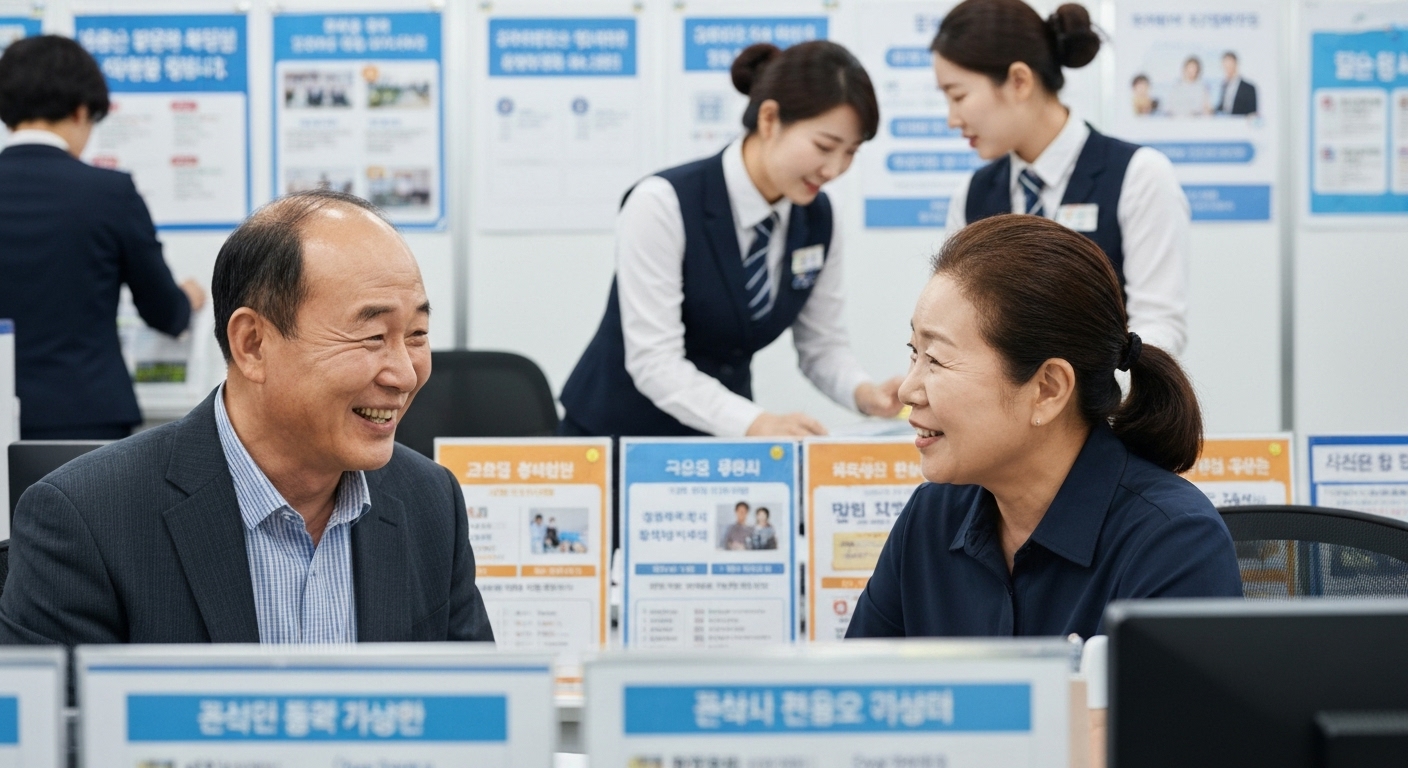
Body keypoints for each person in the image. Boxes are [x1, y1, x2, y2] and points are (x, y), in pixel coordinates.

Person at [0, 190, 494, 645]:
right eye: (372, 337)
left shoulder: (430, 502)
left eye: (417, 334)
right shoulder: (86, 519)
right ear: (253, 344)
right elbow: (60, 715)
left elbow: (474, 705)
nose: (404, 374)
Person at [845, 214, 1242, 640]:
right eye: (914, 352)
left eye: (936, 360)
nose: (907, 390)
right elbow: (861, 680)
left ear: (1048, 389)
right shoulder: (932, 517)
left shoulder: (1173, 542)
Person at [559, 40, 903, 440]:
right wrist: (757, 422)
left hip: (724, 445)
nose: (834, 169)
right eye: (824, 147)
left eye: (851, 152)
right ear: (770, 119)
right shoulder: (662, 203)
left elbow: (821, 345)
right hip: (618, 440)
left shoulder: (820, 217)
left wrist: (864, 393)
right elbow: (654, 360)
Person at [936, 0, 1190, 356]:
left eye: (958, 96)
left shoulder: (1139, 176)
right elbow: (956, 327)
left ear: (1019, 81)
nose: (952, 119)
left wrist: (1080, 389)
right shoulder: (972, 196)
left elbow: (1158, 326)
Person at [0, 35, 206, 439]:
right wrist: (186, 299)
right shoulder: (109, 193)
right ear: (81, 111)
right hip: (86, 415)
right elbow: (164, 311)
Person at [1216, 51, 1257, 116]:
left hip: (1241, 121)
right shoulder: (1224, 86)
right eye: (1225, 66)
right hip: (1225, 121)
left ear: (1236, 64)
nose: (1227, 68)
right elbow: (1223, 107)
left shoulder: (1248, 88)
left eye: (1230, 65)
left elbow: (1252, 113)